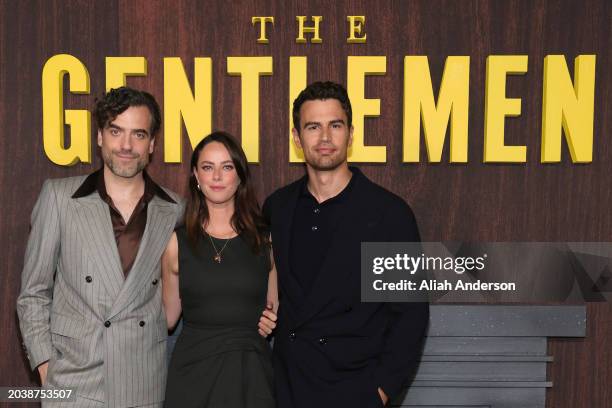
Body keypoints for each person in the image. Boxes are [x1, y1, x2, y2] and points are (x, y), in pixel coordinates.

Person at [261, 81, 429, 407]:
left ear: (351, 134)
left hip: (355, 388)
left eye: (334, 125)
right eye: (313, 127)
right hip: (289, 387)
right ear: (297, 137)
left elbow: (410, 316)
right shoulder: (277, 208)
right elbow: (262, 289)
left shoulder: (388, 214)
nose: (325, 138)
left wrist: (379, 392)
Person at [16, 87, 184, 407]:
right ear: (99, 137)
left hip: (144, 384)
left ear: (152, 144)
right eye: (115, 131)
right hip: (73, 383)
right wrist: (46, 368)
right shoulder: (59, 198)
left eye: (138, 134)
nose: (125, 145)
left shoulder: (174, 209)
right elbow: (33, 293)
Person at [162, 132, 277, 408]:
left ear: (239, 176)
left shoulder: (265, 239)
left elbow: (272, 308)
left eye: (226, 167)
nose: (216, 176)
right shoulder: (177, 242)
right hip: (192, 378)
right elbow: (166, 319)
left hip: (251, 376)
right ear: (195, 176)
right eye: (207, 167)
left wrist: (272, 319)